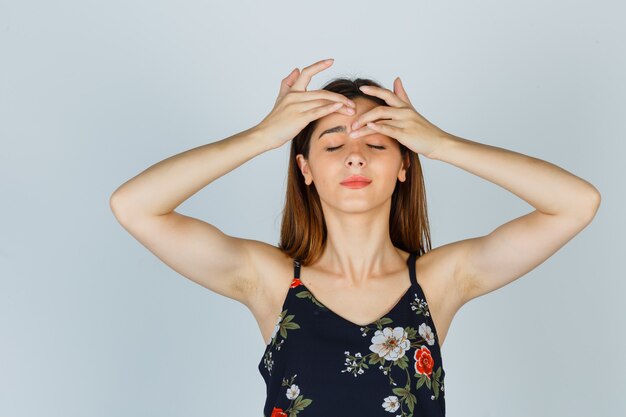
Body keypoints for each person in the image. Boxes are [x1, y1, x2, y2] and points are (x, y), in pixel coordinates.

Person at [109, 58, 601, 417]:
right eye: (334, 143)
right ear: (305, 168)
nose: (355, 156)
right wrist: (263, 136)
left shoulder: (438, 282)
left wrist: (442, 144)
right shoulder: (270, 281)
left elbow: (577, 203)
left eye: (376, 142)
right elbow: (134, 206)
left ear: (403, 163)